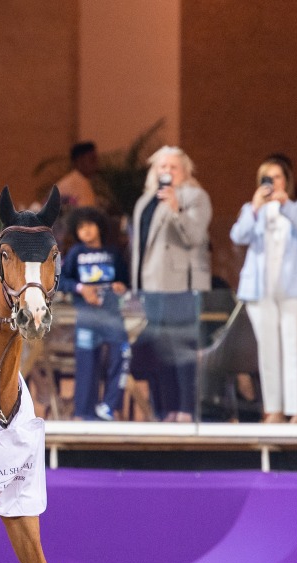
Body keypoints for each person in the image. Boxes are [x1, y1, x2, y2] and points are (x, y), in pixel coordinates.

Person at [230, 156, 297, 422]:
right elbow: (238, 236)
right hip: (261, 291)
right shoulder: (251, 209)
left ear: (286, 181)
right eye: (267, 178)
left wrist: (285, 204)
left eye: (277, 177)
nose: (272, 182)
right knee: (268, 351)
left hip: (294, 289)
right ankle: (274, 410)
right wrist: (255, 208)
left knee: (296, 349)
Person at [129, 145, 212, 422]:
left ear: (185, 172)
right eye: (162, 167)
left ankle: (186, 408)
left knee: (181, 347)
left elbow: (196, 236)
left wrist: (176, 209)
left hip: (181, 285)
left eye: (173, 167)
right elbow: (139, 247)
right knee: (159, 350)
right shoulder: (144, 201)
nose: (167, 172)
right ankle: (166, 409)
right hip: (151, 286)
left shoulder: (195, 197)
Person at [60, 207, 130, 421]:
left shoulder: (113, 253)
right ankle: (84, 413)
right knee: (86, 366)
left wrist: (120, 286)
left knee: (122, 354)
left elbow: (125, 281)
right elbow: (61, 281)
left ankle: (109, 406)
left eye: (90, 225)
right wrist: (81, 289)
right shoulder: (75, 254)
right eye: (81, 227)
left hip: (112, 316)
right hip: (86, 318)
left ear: (99, 226)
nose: (86, 231)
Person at [56, 141, 99, 210]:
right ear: (79, 161)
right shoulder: (71, 184)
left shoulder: (84, 181)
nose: (96, 164)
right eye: (92, 160)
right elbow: (83, 215)